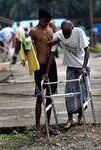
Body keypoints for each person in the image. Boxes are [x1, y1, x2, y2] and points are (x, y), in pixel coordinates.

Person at [42, 20, 90, 129]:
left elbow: (87, 50)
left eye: (68, 33)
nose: (66, 35)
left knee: (83, 92)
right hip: (71, 67)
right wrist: (46, 72)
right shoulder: (58, 35)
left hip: (83, 65)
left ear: (72, 28)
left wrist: (84, 67)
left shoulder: (78, 32)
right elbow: (52, 54)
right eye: (64, 33)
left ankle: (80, 116)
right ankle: (70, 119)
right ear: (61, 30)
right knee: (69, 93)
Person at [28, 6, 60, 142]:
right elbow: (27, 48)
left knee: (50, 96)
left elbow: (61, 37)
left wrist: (56, 40)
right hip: (39, 67)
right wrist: (24, 44)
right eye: (45, 21)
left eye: (49, 21)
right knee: (40, 97)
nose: (47, 23)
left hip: (52, 66)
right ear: (39, 18)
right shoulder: (34, 31)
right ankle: (38, 129)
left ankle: (48, 125)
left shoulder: (52, 26)